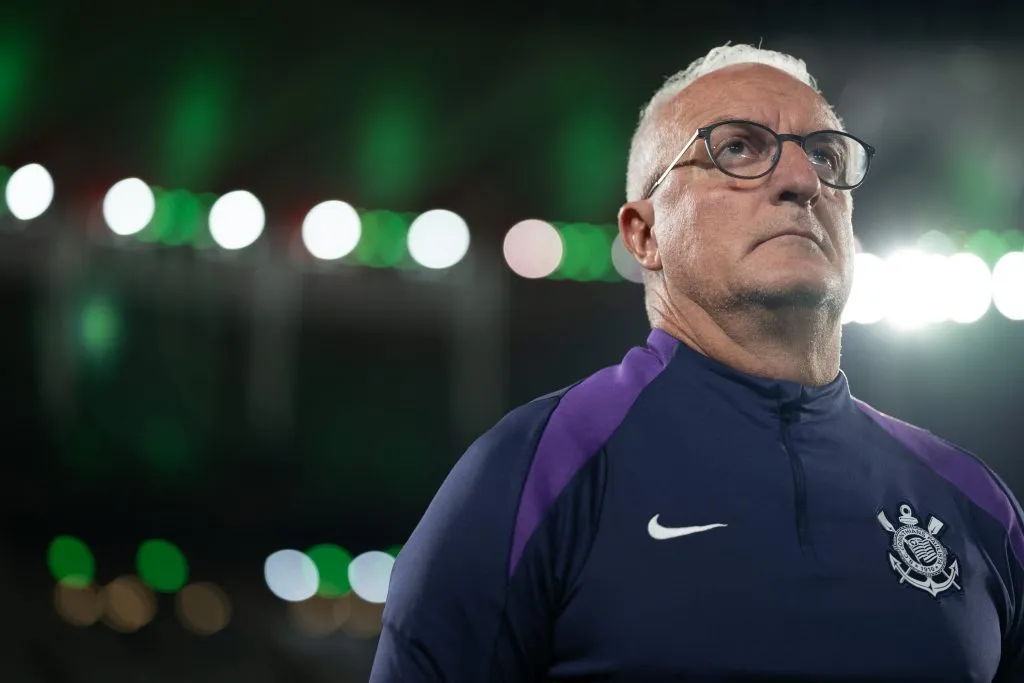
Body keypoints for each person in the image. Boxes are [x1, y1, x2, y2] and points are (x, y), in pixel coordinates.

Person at [369, 43, 1024, 682]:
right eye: (738, 147)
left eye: (824, 155)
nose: (802, 182)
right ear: (644, 234)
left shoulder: (973, 503)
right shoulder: (534, 470)